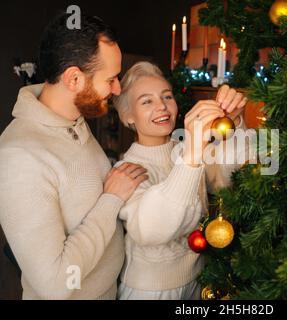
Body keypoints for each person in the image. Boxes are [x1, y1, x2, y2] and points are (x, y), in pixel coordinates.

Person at [0, 13, 148, 299]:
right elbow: (55, 284)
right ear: (74, 78)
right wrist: (112, 199)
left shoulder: (74, 120)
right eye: (111, 79)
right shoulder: (18, 157)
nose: (117, 89)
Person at [113, 61, 253, 300]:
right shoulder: (126, 169)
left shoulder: (186, 149)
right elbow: (153, 229)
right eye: (147, 101)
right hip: (149, 291)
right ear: (128, 116)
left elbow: (227, 179)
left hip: (198, 280)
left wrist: (234, 123)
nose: (162, 107)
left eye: (167, 97)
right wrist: (193, 153)